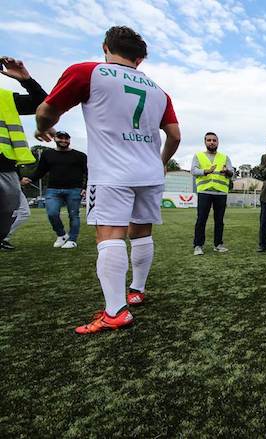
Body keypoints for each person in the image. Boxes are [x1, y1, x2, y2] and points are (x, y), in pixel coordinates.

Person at [36, 26, 180, 334]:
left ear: (105, 47)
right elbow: (175, 136)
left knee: (111, 235)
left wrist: (41, 126)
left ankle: (116, 311)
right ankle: (137, 290)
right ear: (140, 59)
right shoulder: (159, 91)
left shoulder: (89, 72)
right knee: (141, 232)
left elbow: (48, 110)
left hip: (113, 171)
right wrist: (161, 162)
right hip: (149, 172)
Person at [0, 56, 43, 247]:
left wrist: (26, 80)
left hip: (5, 169)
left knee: (9, 212)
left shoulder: (5, 98)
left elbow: (42, 103)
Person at [20, 130, 87, 249]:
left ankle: (72, 239)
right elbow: (40, 171)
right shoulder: (47, 154)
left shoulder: (80, 156)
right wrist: (29, 179)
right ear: (55, 139)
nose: (63, 140)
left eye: (66, 138)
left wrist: (85, 187)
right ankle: (61, 235)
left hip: (74, 190)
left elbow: (88, 172)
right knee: (52, 213)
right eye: (60, 138)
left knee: (74, 215)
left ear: (69, 140)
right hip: (53, 190)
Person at [191, 131, 233, 255]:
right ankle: (198, 245)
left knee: (219, 220)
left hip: (220, 192)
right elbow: (193, 170)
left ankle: (218, 244)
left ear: (218, 142)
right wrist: (206, 171)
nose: (212, 142)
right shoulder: (198, 156)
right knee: (201, 219)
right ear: (205, 142)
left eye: (214, 140)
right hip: (204, 191)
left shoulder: (225, 157)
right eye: (209, 140)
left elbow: (232, 172)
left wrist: (227, 171)